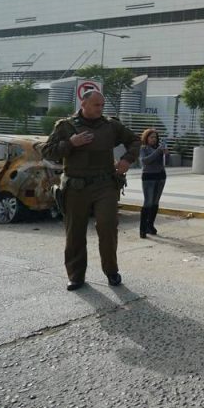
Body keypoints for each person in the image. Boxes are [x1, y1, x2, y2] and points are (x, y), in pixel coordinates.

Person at [43, 90, 140, 291]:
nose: (100, 109)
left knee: (107, 227)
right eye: (96, 105)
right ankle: (76, 276)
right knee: (75, 232)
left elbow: (135, 140)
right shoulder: (65, 126)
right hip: (76, 187)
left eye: (102, 105)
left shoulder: (111, 126)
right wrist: (70, 143)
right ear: (84, 103)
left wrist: (127, 160)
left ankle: (111, 271)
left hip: (105, 185)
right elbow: (47, 152)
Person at [138, 128, 168, 239]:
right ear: (146, 138)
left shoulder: (159, 148)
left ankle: (150, 225)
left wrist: (166, 154)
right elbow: (145, 161)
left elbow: (167, 162)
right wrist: (158, 152)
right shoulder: (143, 148)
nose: (154, 139)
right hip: (149, 177)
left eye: (155, 137)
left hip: (160, 176)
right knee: (148, 202)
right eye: (151, 137)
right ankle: (142, 229)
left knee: (155, 202)